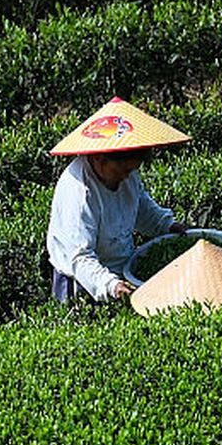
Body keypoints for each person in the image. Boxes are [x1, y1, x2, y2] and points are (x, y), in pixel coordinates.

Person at [45, 98, 193, 304]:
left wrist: (168, 226)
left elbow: (141, 207)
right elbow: (79, 258)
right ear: (99, 159)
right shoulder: (80, 193)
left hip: (122, 268)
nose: (126, 177)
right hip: (82, 283)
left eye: (131, 171)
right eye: (122, 171)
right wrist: (111, 285)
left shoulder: (126, 175)